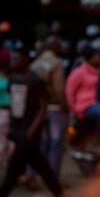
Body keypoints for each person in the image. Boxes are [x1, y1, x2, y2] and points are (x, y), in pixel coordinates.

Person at [0, 42, 66, 197]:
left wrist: (32, 131)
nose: (12, 61)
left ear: (25, 59)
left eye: (16, 57)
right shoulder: (13, 78)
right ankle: (59, 194)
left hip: (29, 133)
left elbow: (43, 108)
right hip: (18, 131)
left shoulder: (35, 81)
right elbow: (14, 104)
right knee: (40, 164)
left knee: (13, 167)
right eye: (11, 57)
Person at [31, 36, 69, 178]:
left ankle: (31, 174)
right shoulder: (57, 63)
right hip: (54, 109)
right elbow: (59, 89)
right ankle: (53, 178)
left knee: (41, 143)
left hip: (38, 109)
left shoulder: (35, 63)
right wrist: (65, 106)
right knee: (56, 144)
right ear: (55, 47)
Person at [66, 46, 100, 142]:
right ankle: (98, 141)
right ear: (90, 58)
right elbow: (70, 92)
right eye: (97, 57)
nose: (99, 59)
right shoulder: (79, 73)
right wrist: (73, 111)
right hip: (85, 105)